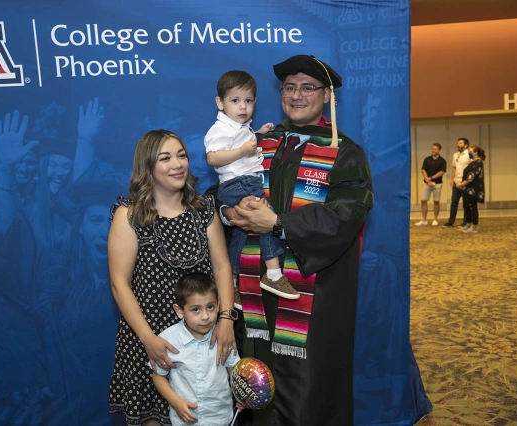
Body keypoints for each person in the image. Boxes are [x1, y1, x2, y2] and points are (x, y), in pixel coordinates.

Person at [221, 55, 374, 425]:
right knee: (254, 381)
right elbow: (220, 189)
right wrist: (229, 213)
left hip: (314, 295)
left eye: (308, 87)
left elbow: (346, 214)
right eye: (290, 87)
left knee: (307, 390)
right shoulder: (258, 143)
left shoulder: (344, 152)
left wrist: (277, 222)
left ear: (327, 96)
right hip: (254, 293)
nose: (297, 95)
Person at [108, 129, 236, 426]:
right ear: (148, 166)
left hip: (203, 339)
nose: (177, 164)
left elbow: (222, 268)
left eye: (181, 156)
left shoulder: (204, 210)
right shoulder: (129, 216)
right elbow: (120, 284)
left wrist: (227, 319)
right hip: (150, 342)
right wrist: (148, 340)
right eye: (165, 158)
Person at [204, 70, 299, 306]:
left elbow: (237, 141)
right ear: (220, 102)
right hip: (240, 182)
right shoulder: (219, 129)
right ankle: (274, 274)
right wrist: (243, 152)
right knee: (267, 218)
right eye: (235, 101)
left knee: (240, 234)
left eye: (248, 101)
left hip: (240, 182)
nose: (243, 107)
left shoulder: (239, 127)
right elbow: (213, 158)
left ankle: (232, 284)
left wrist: (258, 133)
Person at [151, 272, 240, 426]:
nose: (205, 316)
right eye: (196, 310)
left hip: (220, 419)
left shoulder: (223, 338)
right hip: (184, 421)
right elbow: (158, 376)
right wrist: (175, 402)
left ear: (219, 304)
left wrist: (241, 395)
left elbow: (234, 370)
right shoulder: (169, 340)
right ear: (180, 311)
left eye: (210, 307)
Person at [442, 137, 471, 228]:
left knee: (466, 204)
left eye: (461, 143)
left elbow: (471, 169)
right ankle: (451, 221)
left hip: (465, 183)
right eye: (458, 143)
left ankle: (466, 221)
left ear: (466, 145)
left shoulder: (469, 155)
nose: (458, 144)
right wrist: (452, 180)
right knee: (454, 202)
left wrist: (467, 181)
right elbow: (454, 168)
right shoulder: (455, 155)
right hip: (456, 182)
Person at [415, 143, 446, 226]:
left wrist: (431, 178)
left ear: (439, 150)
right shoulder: (427, 159)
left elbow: (441, 172)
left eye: (435, 149)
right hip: (426, 183)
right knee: (423, 200)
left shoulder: (442, 161)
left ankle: (435, 219)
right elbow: (423, 170)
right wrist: (427, 179)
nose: (433, 150)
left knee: (436, 201)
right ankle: (424, 220)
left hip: (437, 184)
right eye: (432, 149)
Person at [457, 146, 485, 233]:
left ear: (476, 152)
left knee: (473, 207)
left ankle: (474, 226)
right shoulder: (472, 162)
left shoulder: (478, 162)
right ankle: (468, 224)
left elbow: (471, 177)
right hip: (467, 188)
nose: (469, 153)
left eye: (470, 151)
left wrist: (461, 184)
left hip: (474, 189)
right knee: (467, 207)